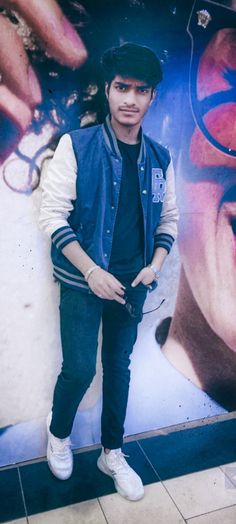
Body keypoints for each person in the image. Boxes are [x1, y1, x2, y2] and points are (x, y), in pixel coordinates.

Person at [39, 42, 178, 501]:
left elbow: (168, 221)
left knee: (118, 368)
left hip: (131, 286)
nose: (130, 100)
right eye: (122, 87)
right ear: (107, 89)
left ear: (152, 97)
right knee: (78, 369)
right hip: (83, 282)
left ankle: (111, 452)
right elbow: (52, 216)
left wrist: (154, 267)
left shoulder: (160, 158)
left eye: (141, 90)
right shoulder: (75, 146)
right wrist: (92, 270)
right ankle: (58, 435)